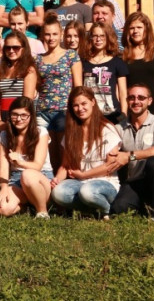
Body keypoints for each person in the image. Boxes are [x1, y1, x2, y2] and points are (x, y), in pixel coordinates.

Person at [107, 84, 154, 221]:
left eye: (141, 98)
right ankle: (145, 205)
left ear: (149, 101)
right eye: (132, 98)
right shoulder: (119, 128)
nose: (136, 101)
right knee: (118, 208)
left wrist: (129, 156)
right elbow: (112, 153)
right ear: (127, 101)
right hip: (136, 180)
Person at [51, 86, 122, 219]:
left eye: (84, 104)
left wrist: (84, 175)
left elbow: (111, 165)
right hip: (80, 183)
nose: (80, 108)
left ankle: (107, 210)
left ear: (93, 102)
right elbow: (65, 165)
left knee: (87, 192)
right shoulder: (71, 132)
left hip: (105, 182)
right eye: (75, 105)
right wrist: (57, 179)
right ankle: (91, 210)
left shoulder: (107, 129)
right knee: (58, 193)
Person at [0, 97, 53, 218]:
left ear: (31, 116)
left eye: (23, 115)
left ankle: (42, 212)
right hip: (16, 179)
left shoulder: (41, 132)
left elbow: (37, 166)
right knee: (2, 208)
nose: (19, 119)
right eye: (14, 115)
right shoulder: (4, 135)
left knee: (28, 175)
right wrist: (3, 188)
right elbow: (3, 168)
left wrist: (19, 162)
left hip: (40, 177)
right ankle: (28, 208)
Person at [36, 14, 82, 170]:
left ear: (61, 34)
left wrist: (75, 111)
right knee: (47, 157)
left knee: (65, 155)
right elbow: (36, 86)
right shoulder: (38, 59)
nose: (51, 38)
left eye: (55, 34)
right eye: (47, 34)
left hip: (64, 110)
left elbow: (78, 86)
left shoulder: (71, 55)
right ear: (42, 35)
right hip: (42, 112)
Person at [122, 12, 154, 121]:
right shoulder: (122, 57)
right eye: (132, 28)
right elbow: (121, 90)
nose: (135, 31)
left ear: (147, 29)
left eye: (139, 27)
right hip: (133, 111)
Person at [81, 22, 128, 124]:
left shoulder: (117, 62)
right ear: (90, 38)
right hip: (90, 115)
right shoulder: (83, 63)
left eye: (102, 36)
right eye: (95, 36)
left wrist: (124, 114)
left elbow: (123, 92)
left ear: (108, 37)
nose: (98, 39)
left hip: (113, 115)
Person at [0, 31, 38, 128]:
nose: (11, 50)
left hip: (20, 118)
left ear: (23, 48)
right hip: (3, 115)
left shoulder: (29, 70)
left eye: (16, 47)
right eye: (8, 47)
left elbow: (27, 101)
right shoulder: (1, 69)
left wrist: (17, 119)